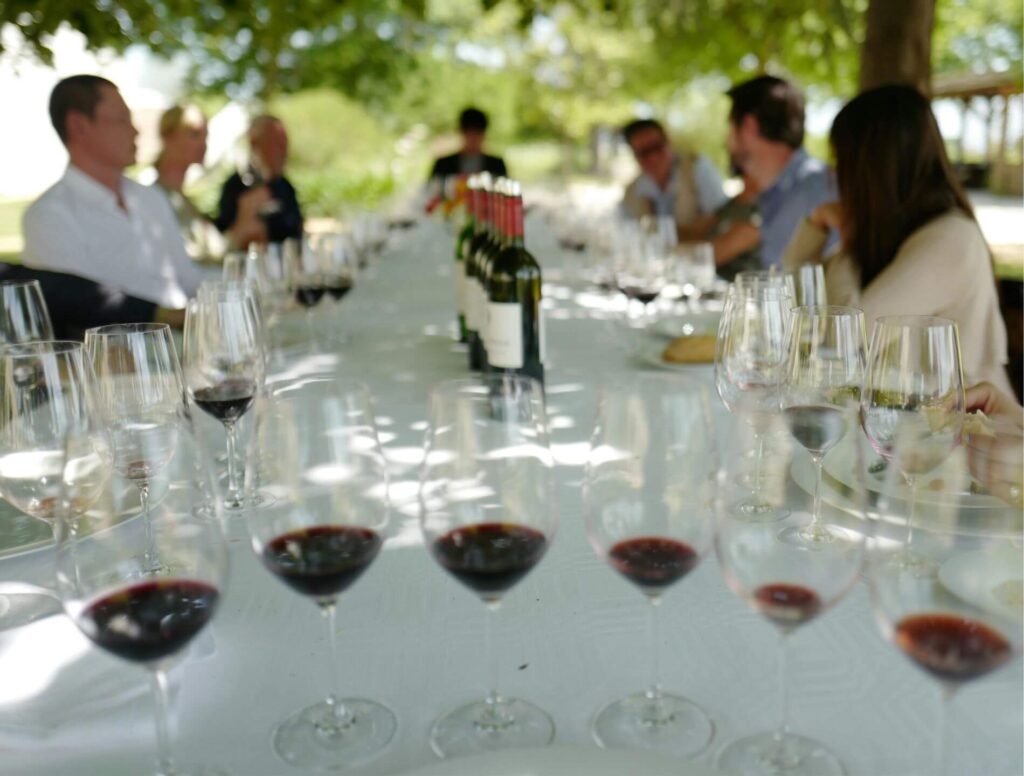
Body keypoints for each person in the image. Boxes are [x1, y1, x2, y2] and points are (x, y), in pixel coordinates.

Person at [782, 84, 1012, 394]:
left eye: (842, 160)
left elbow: (847, 337)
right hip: (902, 423)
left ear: (873, 167)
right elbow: (796, 293)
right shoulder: (897, 230)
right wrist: (816, 224)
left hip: (963, 431)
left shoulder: (949, 239)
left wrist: (848, 246)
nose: (835, 174)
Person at [21, 74, 199, 327]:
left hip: (190, 339)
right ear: (79, 126)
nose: (135, 130)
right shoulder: (49, 216)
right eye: (122, 120)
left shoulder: (150, 198)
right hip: (130, 359)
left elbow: (188, 279)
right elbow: (90, 314)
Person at [726, 75, 835, 268]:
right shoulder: (775, 192)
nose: (726, 139)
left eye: (730, 126)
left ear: (749, 126)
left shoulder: (814, 190)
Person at [153, 104, 266, 258]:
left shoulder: (181, 199)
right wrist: (243, 222)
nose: (203, 144)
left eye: (205, 136)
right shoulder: (157, 199)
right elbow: (193, 262)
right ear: (166, 136)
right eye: (194, 134)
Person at [620, 118, 727, 229]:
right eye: (644, 152)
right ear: (634, 155)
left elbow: (722, 219)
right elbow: (625, 231)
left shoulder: (697, 168)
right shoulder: (632, 192)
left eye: (657, 147)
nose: (653, 157)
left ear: (668, 142)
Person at [214, 114, 303, 245]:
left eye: (285, 144)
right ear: (254, 143)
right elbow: (225, 243)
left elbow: (297, 232)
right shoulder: (235, 187)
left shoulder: (285, 186)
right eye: (276, 144)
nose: (283, 151)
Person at [677, 160, 761, 281]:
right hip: (711, 286)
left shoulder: (757, 214)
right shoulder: (734, 203)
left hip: (739, 293)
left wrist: (667, 250)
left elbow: (712, 255)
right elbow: (697, 231)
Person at [428, 107, 507, 180]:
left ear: (484, 134)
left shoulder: (497, 165)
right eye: (469, 133)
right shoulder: (443, 165)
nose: (473, 138)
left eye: (477, 133)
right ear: (461, 132)